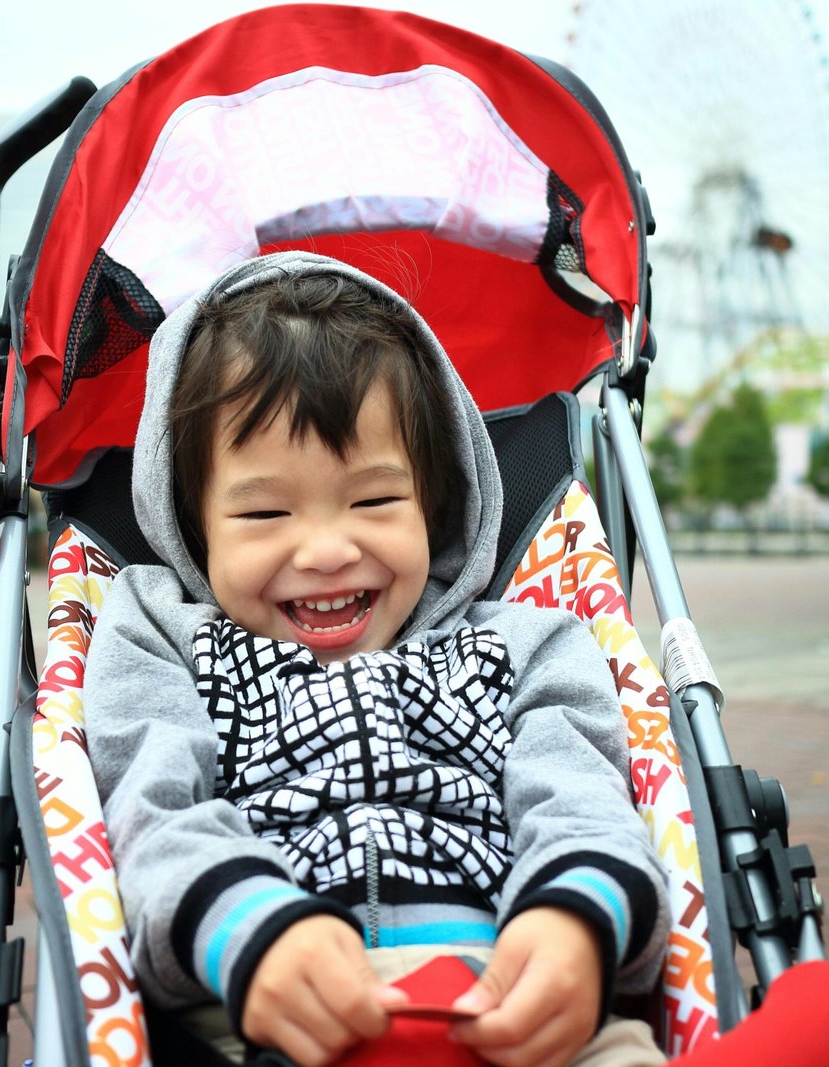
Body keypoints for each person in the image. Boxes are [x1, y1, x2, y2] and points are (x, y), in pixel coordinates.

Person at [84, 253, 670, 1067]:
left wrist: (572, 919)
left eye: (374, 500)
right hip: (262, 1013)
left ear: (434, 503)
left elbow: (580, 797)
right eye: (262, 511)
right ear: (194, 524)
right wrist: (251, 927)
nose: (327, 549)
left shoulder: (528, 642)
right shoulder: (160, 634)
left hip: (503, 1005)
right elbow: (149, 810)